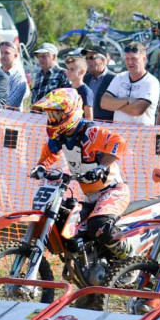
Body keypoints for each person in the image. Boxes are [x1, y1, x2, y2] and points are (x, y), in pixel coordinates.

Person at [30, 88, 131, 271]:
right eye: (50, 116)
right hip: (91, 197)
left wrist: (101, 167)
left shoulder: (90, 132)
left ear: (71, 112)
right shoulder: (60, 137)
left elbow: (118, 142)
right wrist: (41, 168)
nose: (52, 120)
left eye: (56, 115)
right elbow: (48, 155)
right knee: (66, 220)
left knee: (98, 225)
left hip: (113, 191)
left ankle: (129, 259)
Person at [100, 42, 160, 124]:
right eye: (127, 59)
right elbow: (104, 103)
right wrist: (127, 100)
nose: (130, 62)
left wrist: (115, 105)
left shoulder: (151, 82)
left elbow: (137, 110)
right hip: (118, 133)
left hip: (141, 134)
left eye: (134, 59)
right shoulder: (119, 77)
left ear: (144, 59)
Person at [84, 46, 117, 121]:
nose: (88, 61)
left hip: (107, 125)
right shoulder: (85, 78)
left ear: (103, 60)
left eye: (92, 58)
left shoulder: (114, 79)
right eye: (86, 58)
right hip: (87, 124)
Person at [64, 54, 95, 120]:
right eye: (68, 69)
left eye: (72, 69)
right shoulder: (65, 89)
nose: (68, 72)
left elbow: (89, 117)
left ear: (82, 72)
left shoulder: (86, 92)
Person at [0, 40, 27, 110]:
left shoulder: (19, 77)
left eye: (7, 53)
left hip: (10, 118)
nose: (2, 56)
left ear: (15, 56)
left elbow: (10, 104)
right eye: (0, 52)